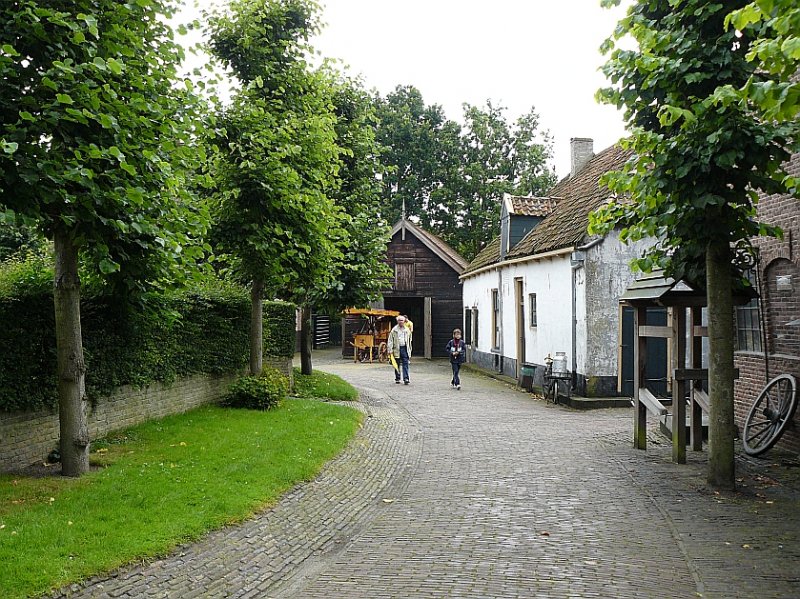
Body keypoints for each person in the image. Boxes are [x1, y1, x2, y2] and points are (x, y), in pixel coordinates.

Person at [387, 314, 412, 385]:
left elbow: (409, 340)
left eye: (402, 320)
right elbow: (390, 340)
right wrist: (390, 349)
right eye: (399, 320)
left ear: (404, 321)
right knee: (396, 364)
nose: (401, 322)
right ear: (397, 321)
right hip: (396, 349)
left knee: (405, 363)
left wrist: (409, 349)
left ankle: (406, 378)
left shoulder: (407, 330)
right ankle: (397, 378)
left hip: (405, 348)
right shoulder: (394, 330)